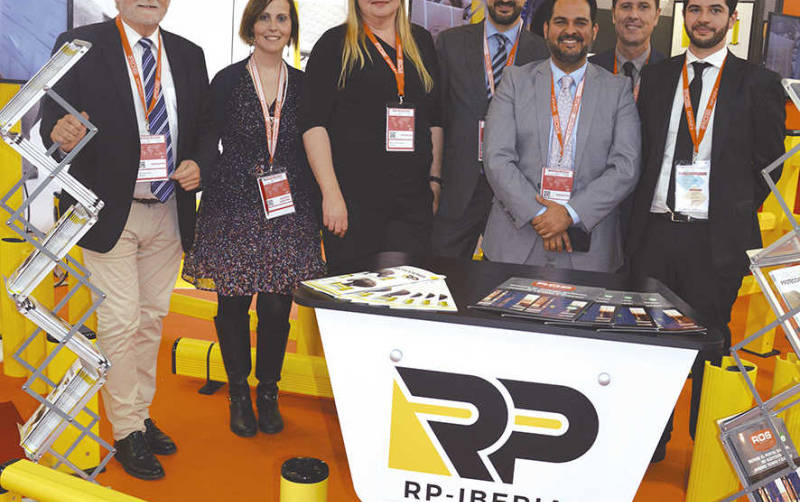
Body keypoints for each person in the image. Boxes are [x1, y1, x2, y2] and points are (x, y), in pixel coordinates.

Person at [40, 0, 215, 481]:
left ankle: (137, 414)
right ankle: (125, 431)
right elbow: (50, 121)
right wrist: (61, 131)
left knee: (152, 320)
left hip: (169, 211)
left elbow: (204, 127)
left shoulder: (188, 53)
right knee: (119, 321)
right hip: (106, 211)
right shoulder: (81, 46)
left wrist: (202, 162)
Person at [626, 0, 785, 462]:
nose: (703, 19)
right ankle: (651, 445)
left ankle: (705, 447)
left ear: (731, 20)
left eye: (715, 10)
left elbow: (768, 165)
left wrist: (730, 213)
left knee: (710, 342)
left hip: (716, 240)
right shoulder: (657, 77)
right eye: (694, 9)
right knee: (649, 343)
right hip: (654, 234)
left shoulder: (759, 83)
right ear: (683, 18)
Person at [182, 0, 324, 439]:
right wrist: (199, 168)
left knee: (278, 306)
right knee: (233, 305)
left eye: (282, 18)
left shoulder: (304, 84)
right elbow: (208, 136)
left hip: (289, 204)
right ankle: (239, 393)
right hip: (234, 203)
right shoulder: (226, 81)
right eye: (264, 17)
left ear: (292, 27)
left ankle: (268, 391)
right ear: (251, 25)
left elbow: (318, 138)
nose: (273, 26)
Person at [482, 0, 640, 272]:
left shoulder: (618, 90)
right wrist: (543, 215)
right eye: (560, 22)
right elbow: (497, 158)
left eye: (580, 23)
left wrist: (568, 214)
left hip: (589, 251)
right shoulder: (514, 81)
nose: (570, 30)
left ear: (594, 30)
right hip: (514, 245)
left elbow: (625, 167)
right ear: (545, 29)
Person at [300, 0, 443, 275]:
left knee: (405, 300)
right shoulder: (334, 44)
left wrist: (435, 181)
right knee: (354, 302)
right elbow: (313, 124)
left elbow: (435, 119)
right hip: (352, 208)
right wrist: (330, 194)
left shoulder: (421, 42)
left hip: (411, 207)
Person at [432, 0, 548, 259]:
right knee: (441, 278)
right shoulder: (450, 43)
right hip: (459, 189)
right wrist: (434, 179)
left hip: (517, 192)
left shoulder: (543, 52)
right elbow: (437, 116)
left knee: (506, 285)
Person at [588, 0, 665, 101]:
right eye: (626, 6)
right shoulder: (589, 70)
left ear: (656, 16)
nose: (633, 15)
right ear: (613, 14)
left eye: (643, 7)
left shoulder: (670, 75)